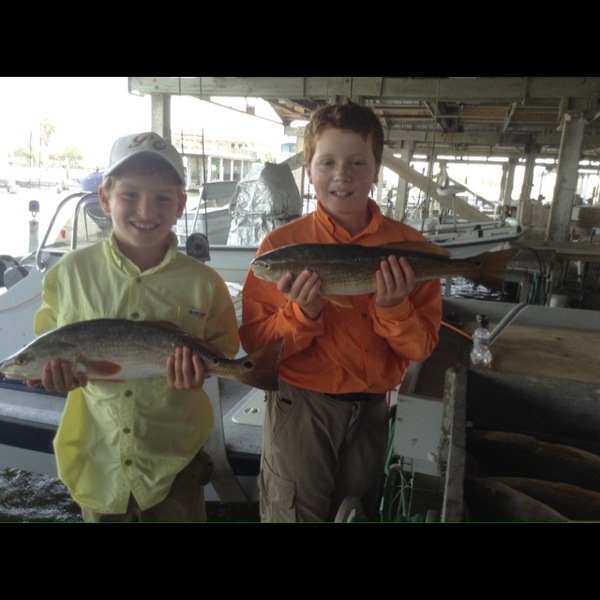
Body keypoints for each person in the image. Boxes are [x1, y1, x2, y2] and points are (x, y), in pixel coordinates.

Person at [239, 100, 442, 522]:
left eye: (356, 162)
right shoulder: (278, 247)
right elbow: (256, 346)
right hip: (302, 410)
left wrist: (394, 308)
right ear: (309, 169)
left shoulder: (411, 248)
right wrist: (303, 315)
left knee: (356, 514)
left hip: (372, 412)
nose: (341, 175)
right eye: (327, 162)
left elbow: (421, 347)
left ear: (376, 168)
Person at [26, 132, 240, 522]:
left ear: (181, 205)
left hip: (174, 460)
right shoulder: (68, 274)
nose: (146, 209)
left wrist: (203, 373)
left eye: (162, 198)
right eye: (129, 194)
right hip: (97, 458)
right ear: (105, 198)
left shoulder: (205, 283)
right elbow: (48, 345)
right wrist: (50, 376)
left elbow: (222, 351)